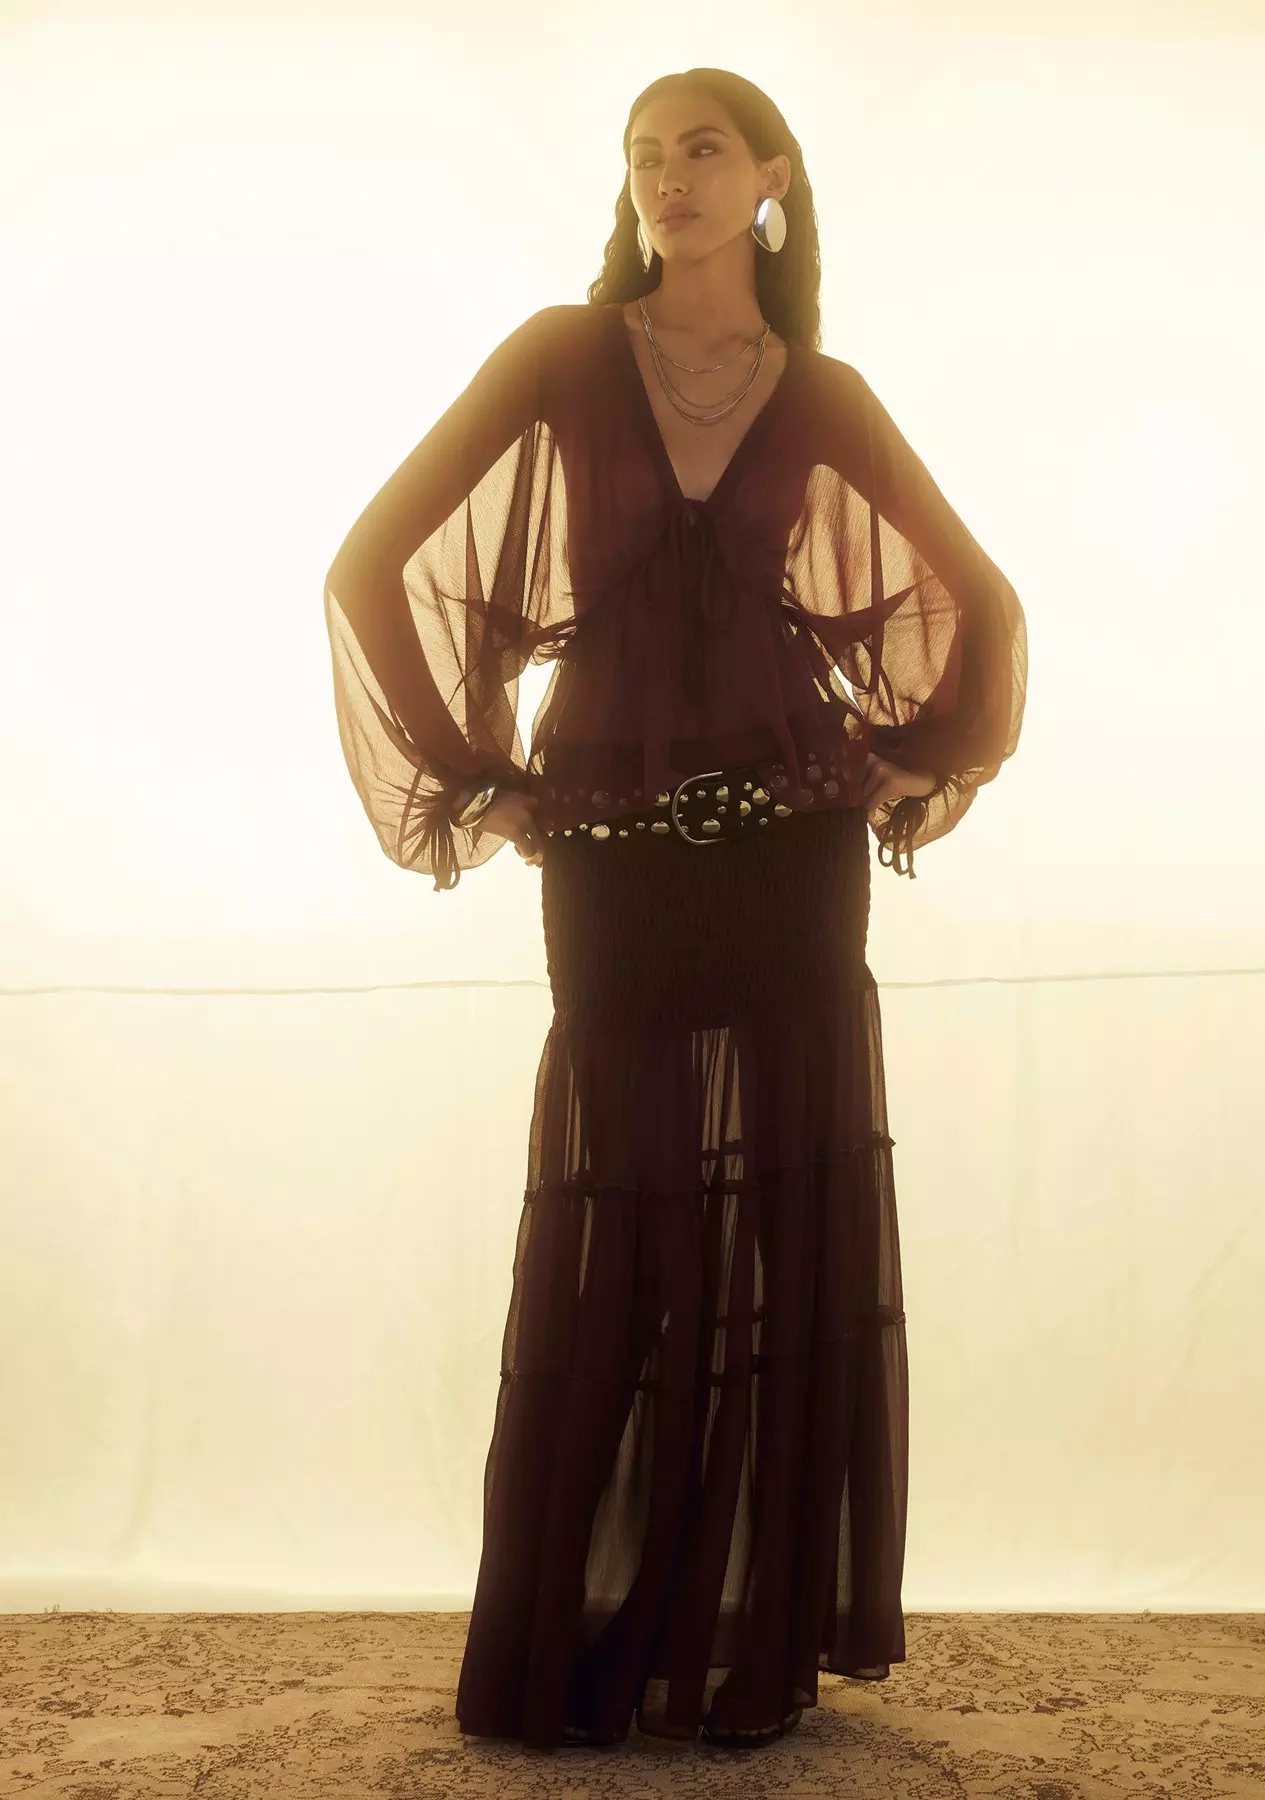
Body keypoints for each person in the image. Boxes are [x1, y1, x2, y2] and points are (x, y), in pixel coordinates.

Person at [323, 67, 1027, 1754]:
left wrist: (903, 760)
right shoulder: (564, 358)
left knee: (786, 1226)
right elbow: (370, 567)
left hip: (790, 853)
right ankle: (577, 1644)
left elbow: (981, 606)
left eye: (701, 151)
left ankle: (749, 1645)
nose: (668, 179)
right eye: (644, 156)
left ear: (769, 179)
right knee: (623, 1222)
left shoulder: (822, 393)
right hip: (613, 848)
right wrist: (477, 779)